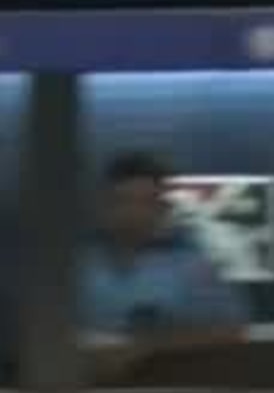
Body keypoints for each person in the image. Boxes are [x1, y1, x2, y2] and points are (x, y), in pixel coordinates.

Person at [77, 150, 247, 380]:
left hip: (165, 391)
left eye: (148, 203)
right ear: (103, 206)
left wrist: (146, 345)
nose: (135, 213)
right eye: (123, 201)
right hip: (72, 388)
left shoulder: (190, 263)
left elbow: (231, 330)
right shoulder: (73, 260)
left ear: (164, 209)